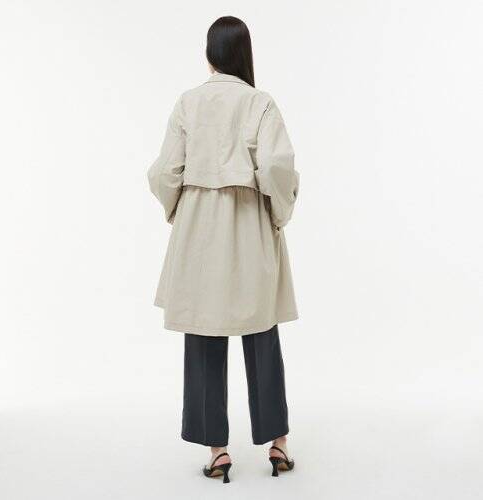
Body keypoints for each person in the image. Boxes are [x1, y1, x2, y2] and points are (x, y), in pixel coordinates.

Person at [147, 16, 299, 483]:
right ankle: (277, 444)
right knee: (261, 329)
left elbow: (164, 172)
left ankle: (218, 452)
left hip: (199, 229)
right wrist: (278, 213)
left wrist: (180, 209)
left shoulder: (188, 102)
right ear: (245, 54)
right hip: (248, 224)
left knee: (204, 332)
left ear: (209, 56)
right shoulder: (260, 102)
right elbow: (276, 166)